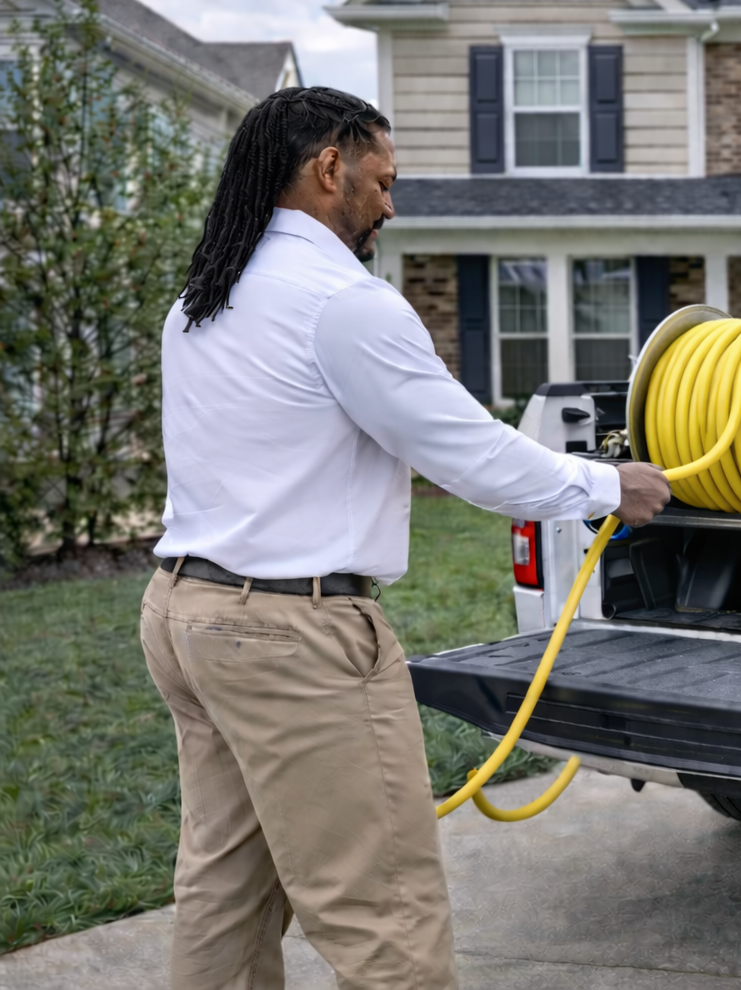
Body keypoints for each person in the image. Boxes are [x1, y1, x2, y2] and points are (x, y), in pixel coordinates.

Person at [138, 86, 670, 990]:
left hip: (186, 618)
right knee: (385, 915)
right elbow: (467, 453)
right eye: (382, 180)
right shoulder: (343, 303)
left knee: (223, 889)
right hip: (291, 638)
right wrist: (605, 485)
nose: (391, 203)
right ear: (329, 166)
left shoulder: (202, 297)